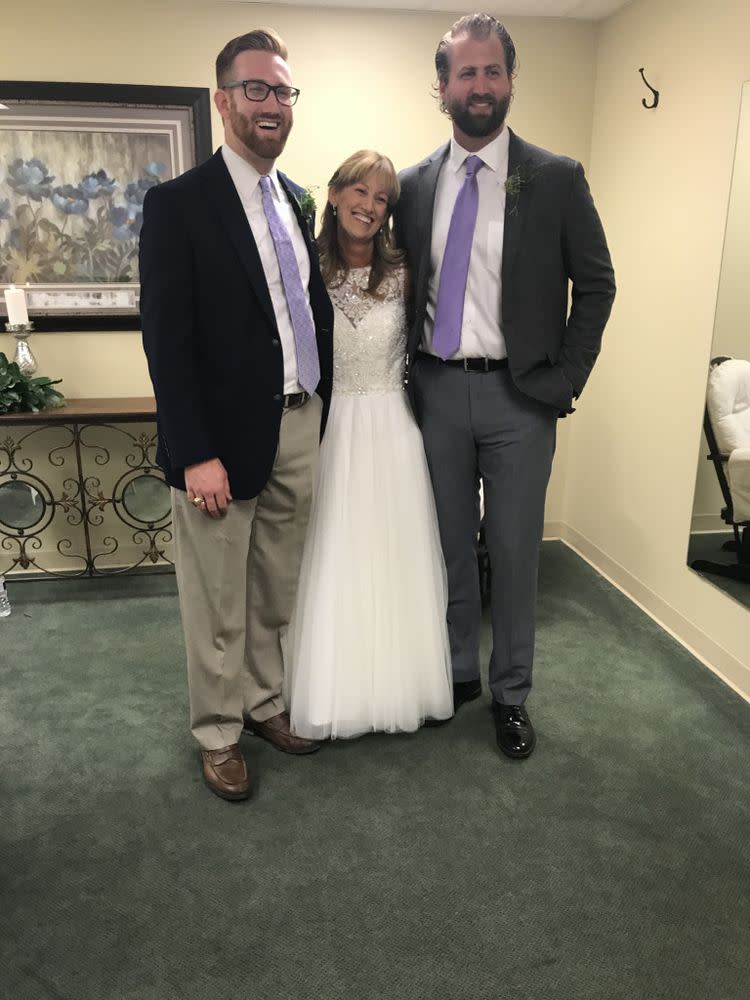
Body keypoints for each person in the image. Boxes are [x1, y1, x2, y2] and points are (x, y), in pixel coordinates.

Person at [394, 13, 615, 759]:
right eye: (466, 73)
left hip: (521, 400)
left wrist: (564, 380)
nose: (480, 86)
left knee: (515, 553)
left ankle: (512, 693)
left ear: (510, 80)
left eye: (492, 72)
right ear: (442, 87)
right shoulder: (413, 185)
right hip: (432, 391)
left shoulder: (554, 178)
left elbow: (597, 285)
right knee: (450, 547)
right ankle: (457, 674)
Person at [139, 29, 333, 800]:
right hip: (220, 441)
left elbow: (302, 315)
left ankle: (262, 704)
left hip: (298, 423)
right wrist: (193, 453)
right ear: (222, 101)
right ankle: (217, 731)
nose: (272, 105)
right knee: (217, 597)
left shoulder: (295, 200)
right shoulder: (179, 206)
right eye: (256, 89)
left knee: (277, 586)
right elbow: (168, 341)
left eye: (283, 92)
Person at [285, 150, 453, 739]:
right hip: (333, 428)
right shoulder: (304, 269)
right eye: (359, 191)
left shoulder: (407, 272)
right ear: (334, 194)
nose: (370, 206)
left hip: (393, 429)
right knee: (335, 554)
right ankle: (338, 689)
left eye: (382, 198)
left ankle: (402, 686)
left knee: (394, 556)